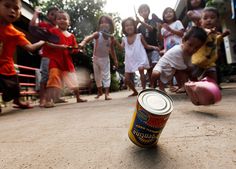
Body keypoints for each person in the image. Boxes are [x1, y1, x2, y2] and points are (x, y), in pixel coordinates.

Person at [0, 0, 45, 110]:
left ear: (19, 13)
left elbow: (30, 48)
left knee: (15, 87)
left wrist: (44, 41)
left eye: (16, 8)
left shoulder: (16, 34)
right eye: (7, 6)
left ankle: (18, 101)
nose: (12, 11)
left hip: (7, 67)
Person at [44, 10, 87, 108]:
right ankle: (48, 100)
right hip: (55, 60)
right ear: (56, 21)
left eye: (64, 18)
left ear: (69, 22)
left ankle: (78, 97)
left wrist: (77, 49)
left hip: (67, 61)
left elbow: (74, 50)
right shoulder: (53, 31)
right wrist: (60, 47)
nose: (62, 20)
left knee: (74, 80)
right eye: (59, 19)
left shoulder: (71, 36)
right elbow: (47, 43)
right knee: (53, 78)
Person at [151, 26, 207, 92]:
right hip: (162, 67)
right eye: (190, 45)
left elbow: (188, 63)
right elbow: (183, 67)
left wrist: (192, 71)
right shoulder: (178, 50)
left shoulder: (188, 52)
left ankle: (184, 86)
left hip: (172, 68)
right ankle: (152, 85)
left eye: (196, 48)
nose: (192, 49)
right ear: (183, 40)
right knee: (156, 73)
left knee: (184, 71)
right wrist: (190, 70)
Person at [114, 17, 159, 97]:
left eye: (131, 25)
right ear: (124, 28)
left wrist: (153, 47)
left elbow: (146, 46)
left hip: (140, 57)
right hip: (129, 59)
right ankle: (135, 91)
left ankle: (144, 90)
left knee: (141, 69)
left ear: (134, 26)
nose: (129, 27)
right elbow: (121, 48)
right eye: (126, 25)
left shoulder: (139, 36)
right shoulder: (124, 39)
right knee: (126, 79)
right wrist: (116, 41)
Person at [79, 15, 118, 100]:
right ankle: (100, 91)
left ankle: (106, 94)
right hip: (96, 58)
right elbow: (88, 37)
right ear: (99, 25)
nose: (104, 24)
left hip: (105, 59)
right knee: (97, 77)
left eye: (106, 22)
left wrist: (115, 60)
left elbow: (112, 50)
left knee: (106, 75)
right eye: (102, 22)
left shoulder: (111, 38)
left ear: (110, 25)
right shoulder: (97, 34)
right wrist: (83, 43)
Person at [30, 6, 62, 107]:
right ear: (48, 16)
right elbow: (32, 26)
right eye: (52, 14)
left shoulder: (59, 29)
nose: (54, 17)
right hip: (47, 56)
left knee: (56, 77)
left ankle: (55, 97)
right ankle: (42, 99)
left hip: (57, 58)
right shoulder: (45, 26)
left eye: (57, 15)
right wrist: (36, 13)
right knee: (45, 77)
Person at [191, 7, 230, 82]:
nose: (209, 20)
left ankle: (213, 86)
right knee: (194, 77)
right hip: (198, 61)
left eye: (212, 17)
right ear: (200, 22)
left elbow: (216, 41)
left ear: (218, 21)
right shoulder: (200, 31)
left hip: (209, 62)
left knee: (213, 76)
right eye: (205, 18)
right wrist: (208, 32)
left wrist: (223, 35)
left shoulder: (215, 33)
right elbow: (201, 36)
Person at [161, 7, 185, 92]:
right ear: (163, 16)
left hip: (178, 49)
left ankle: (183, 85)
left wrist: (170, 29)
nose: (168, 14)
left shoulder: (177, 22)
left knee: (180, 68)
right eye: (166, 13)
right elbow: (162, 38)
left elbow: (182, 33)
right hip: (169, 52)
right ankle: (180, 86)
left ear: (174, 14)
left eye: (170, 12)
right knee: (174, 69)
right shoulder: (163, 27)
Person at [136, 4, 161, 86]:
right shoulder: (139, 27)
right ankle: (152, 85)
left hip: (154, 48)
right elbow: (136, 36)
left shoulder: (152, 21)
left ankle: (160, 85)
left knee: (156, 66)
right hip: (145, 51)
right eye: (141, 11)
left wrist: (141, 22)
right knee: (149, 69)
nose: (144, 12)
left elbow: (152, 29)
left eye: (145, 10)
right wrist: (136, 24)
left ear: (148, 11)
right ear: (139, 14)